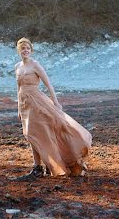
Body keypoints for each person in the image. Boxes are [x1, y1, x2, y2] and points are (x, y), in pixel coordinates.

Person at [14, 37, 92, 179]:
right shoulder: (17, 67)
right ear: (19, 50)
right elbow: (18, 87)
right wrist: (18, 108)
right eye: (22, 48)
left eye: (27, 48)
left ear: (31, 50)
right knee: (31, 135)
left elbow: (48, 84)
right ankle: (38, 167)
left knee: (36, 133)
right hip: (24, 103)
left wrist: (55, 102)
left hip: (37, 102)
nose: (25, 51)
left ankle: (40, 166)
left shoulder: (35, 65)